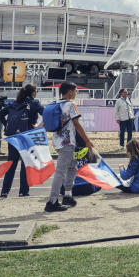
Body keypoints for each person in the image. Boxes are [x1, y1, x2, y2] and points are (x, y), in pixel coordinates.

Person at [45, 82, 95, 212]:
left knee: (73, 167)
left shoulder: (56, 104)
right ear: (69, 92)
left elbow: (43, 123)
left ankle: (67, 195)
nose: (76, 93)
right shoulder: (71, 105)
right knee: (60, 172)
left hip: (58, 141)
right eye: (75, 91)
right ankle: (52, 202)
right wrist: (87, 141)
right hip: (67, 142)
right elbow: (77, 124)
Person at [0, 84, 43, 197]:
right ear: (33, 93)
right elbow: (46, 113)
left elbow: (0, 115)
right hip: (27, 137)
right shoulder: (34, 103)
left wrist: (7, 125)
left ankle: (4, 192)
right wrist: (39, 126)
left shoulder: (13, 103)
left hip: (13, 137)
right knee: (25, 164)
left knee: (11, 165)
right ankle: (23, 192)